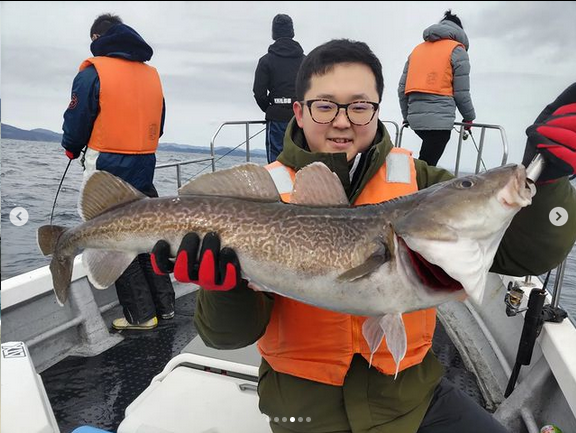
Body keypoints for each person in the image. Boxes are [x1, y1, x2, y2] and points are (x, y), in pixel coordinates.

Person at [151, 40, 576, 433]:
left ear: (377, 112)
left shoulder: (421, 183)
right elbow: (227, 338)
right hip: (305, 411)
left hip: (413, 398)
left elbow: (526, 256)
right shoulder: (265, 196)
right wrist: (223, 290)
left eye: (359, 107)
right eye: (324, 106)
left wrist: (548, 181)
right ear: (298, 112)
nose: (341, 121)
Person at [61, 13, 174, 330]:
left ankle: (141, 315)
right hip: (144, 166)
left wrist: (71, 146)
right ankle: (165, 307)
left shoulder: (93, 73)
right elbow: (160, 125)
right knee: (148, 235)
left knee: (116, 239)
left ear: (97, 38)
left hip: (106, 169)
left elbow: (78, 120)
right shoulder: (152, 75)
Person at [398, 10, 476, 167]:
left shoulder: (417, 50)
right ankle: (415, 187)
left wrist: (407, 116)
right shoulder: (457, 50)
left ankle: (413, 183)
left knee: (426, 160)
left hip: (415, 121)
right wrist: (469, 118)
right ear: (459, 30)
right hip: (439, 122)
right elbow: (461, 92)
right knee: (427, 165)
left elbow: (401, 89)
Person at [253, 14, 305, 163]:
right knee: (301, 160)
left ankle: (279, 187)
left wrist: (270, 108)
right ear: (292, 32)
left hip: (276, 119)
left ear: (273, 33)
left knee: (277, 163)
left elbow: (259, 92)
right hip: (301, 119)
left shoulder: (265, 61)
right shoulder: (306, 61)